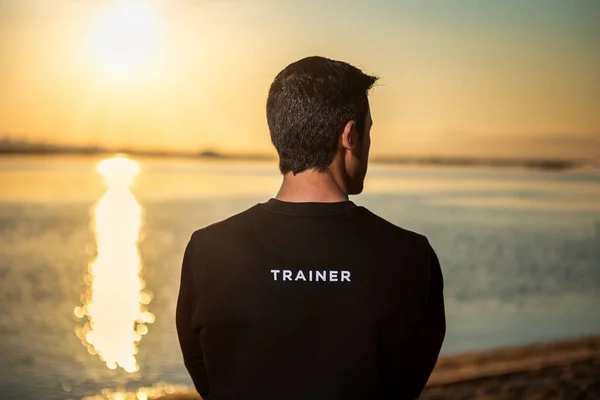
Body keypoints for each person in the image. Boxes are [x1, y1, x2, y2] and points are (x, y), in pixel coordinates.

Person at [176, 56, 446, 400]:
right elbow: (409, 377)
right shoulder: (411, 257)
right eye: (368, 131)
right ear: (350, 136)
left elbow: (207, 375)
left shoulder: (207, 250)